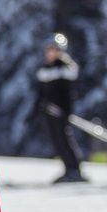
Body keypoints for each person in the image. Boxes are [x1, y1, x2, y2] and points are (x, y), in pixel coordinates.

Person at [36, 34, 85, 183]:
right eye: (49, 49)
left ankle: (74, 169)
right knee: (57, 141)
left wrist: (61, 109)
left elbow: (67, 84)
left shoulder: (65, 66)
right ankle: (68, 169)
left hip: (61, 112)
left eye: (54, 49)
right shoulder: (46, 67)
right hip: (49, 112)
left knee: (65, 140)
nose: (51, 53)